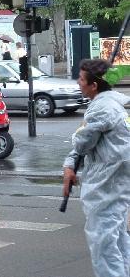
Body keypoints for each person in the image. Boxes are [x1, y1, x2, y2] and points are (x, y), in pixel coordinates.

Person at [62, 59, 130, 277]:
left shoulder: (101, 109)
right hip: (115, 184)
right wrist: (70, 164)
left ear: (94, 85)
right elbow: (86, 146)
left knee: (104, 246)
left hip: (106, 186)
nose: (78, 83)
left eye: (81, 79)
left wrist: (76, 138)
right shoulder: (112, 106)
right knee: (117, 239)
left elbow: (81, 142)